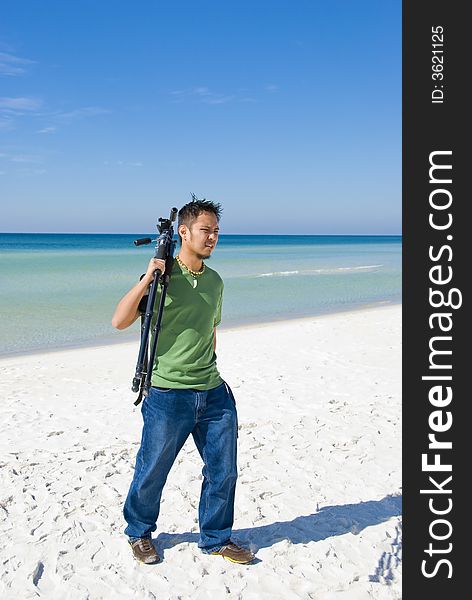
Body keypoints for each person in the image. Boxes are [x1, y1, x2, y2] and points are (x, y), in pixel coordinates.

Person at [112, 198, 255, 565]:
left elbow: (210, 329)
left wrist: (211, 370)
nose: (212, 238)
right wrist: (147, 278)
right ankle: (138, 533)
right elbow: (120, 320)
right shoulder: (162, 278)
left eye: (216, 231)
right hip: (167, 394)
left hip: (213, 392)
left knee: (223, 471)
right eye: (206, 230)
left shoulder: (215, 282)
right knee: (152, 470)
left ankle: (216, 538)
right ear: (184, 232)